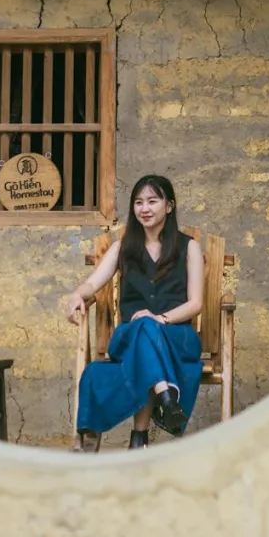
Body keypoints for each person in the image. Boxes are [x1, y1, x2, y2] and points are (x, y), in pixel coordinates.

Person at [64, 174, 205, 450]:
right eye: (139, 202)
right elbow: (93, 283)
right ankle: (166, 396)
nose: (145, 208)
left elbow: (195, 303)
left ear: (169, 205)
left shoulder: (189, 247)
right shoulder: (122, 248)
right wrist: (75, 295)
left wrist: (160, 319)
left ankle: (139, 436)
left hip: (176, 337)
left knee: (147, 328)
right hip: (129, 339)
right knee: (142, 329)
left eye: (153, 201)